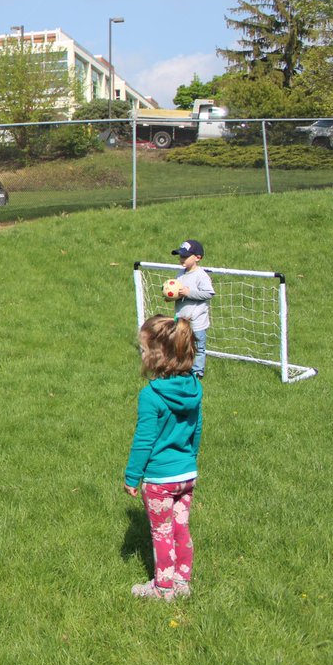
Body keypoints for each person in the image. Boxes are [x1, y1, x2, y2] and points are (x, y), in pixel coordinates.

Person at [124, 314, 204, 601]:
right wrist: (190, 459)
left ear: (157, 356)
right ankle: (183, 582)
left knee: (162, 533)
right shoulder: (194, 388)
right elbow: (196, 429)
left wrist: (132, 476)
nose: (141, 354)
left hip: (160, 480)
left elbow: (144, 440)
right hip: (187, 475)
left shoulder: (151, 396)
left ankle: (163, 588)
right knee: (181, 529)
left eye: (143, 350)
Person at [171, 239, 214, 378]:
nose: (181, 259)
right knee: (180, 345)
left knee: (198, 347)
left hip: (197, 321)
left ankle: (197, 372)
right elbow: (178, 290)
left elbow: (209, 293)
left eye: (185, 256)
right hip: (181, 318)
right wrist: (173, 296)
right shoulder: (181, 274)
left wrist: (189, 293)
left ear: (197, 257)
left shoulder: (201, 275)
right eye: (180, 256)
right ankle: (182, 368)